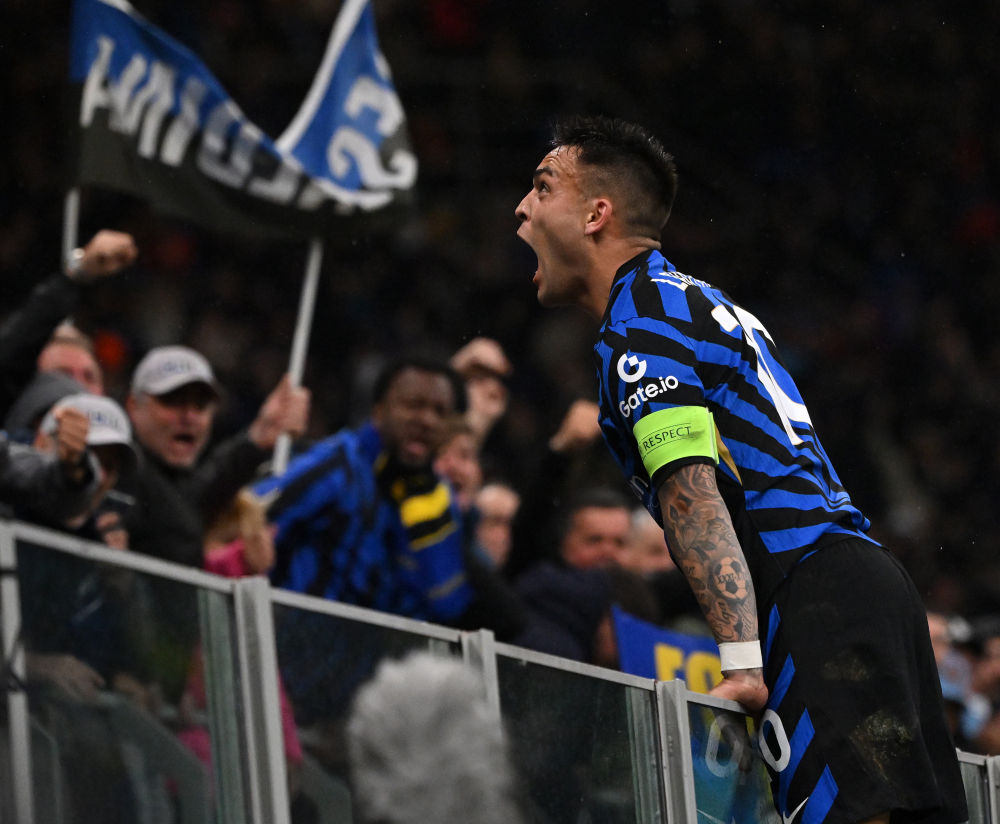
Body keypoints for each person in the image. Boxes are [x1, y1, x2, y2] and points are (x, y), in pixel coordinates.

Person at [514, 115, 966, 824]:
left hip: (810, 597)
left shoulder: (640, 324)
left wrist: (742, 664)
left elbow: (690, 490)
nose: (521, 210)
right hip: (863, 582)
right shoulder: (697, 300)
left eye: (543, 188)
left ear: (597, 214)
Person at [0, 229, 137, 416]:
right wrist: (78, 273)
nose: (76, 386)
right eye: (63, 374)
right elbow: (12, 351)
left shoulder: (118, 432)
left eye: (89, 377)